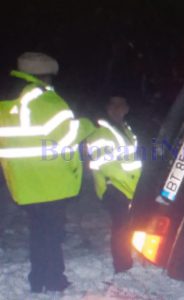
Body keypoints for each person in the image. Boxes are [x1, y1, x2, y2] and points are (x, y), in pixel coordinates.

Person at [0, 52, 95, 293]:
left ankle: (38, 278)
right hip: (50, 180)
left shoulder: (8, 101)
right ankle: (54, 279)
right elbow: (67, 136)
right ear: (45, 76)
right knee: (52, 234)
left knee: (38, 233)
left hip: (24, 182)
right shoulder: (45, 101)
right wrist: (86, 124)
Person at [87, 95, 142, 273]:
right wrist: (131, 186)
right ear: (107, 107)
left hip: (125, 185)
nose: (118, 108)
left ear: (127, 108)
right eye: (114, 104)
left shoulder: (123, 128)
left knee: (125, 225)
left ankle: (125, 260)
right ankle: (122, 264)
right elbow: (108, 166)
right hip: (113, 187)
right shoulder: (101, 132)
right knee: (121, 226)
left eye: (122, 104)